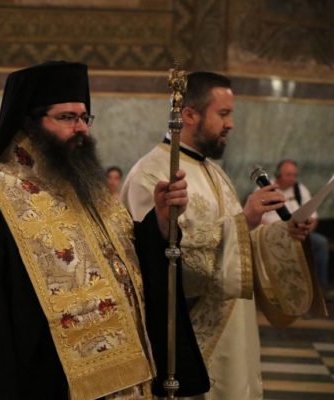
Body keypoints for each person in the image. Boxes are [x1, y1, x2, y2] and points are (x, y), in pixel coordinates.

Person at [0, 61, 209, 400]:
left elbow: (127, 262)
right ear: (29, 123)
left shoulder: (88, 190)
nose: (81, 128)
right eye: (67, 117)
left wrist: (161, 223)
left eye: (84, 117)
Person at [121, 71, 320, 400]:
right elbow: (159, 261)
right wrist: (244, 220)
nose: (231, 124)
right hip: (194, 336)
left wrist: (282, 233)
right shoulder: (151, 174)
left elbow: (240, 244)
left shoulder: (215, 172)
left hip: (236, 331)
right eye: (223, 114)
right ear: (189, 115)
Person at [262, 159, 330, 289]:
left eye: (295, 175)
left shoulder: (300, 189)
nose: (292, 178)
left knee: (321, 242)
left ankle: (320, 287)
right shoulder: (265, 189)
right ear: (278, 174)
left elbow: (314, 216)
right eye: (288, 175)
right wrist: (277, 231)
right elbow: (259, 219)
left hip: (300, 233)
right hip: (274, 235)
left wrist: (307, 229)